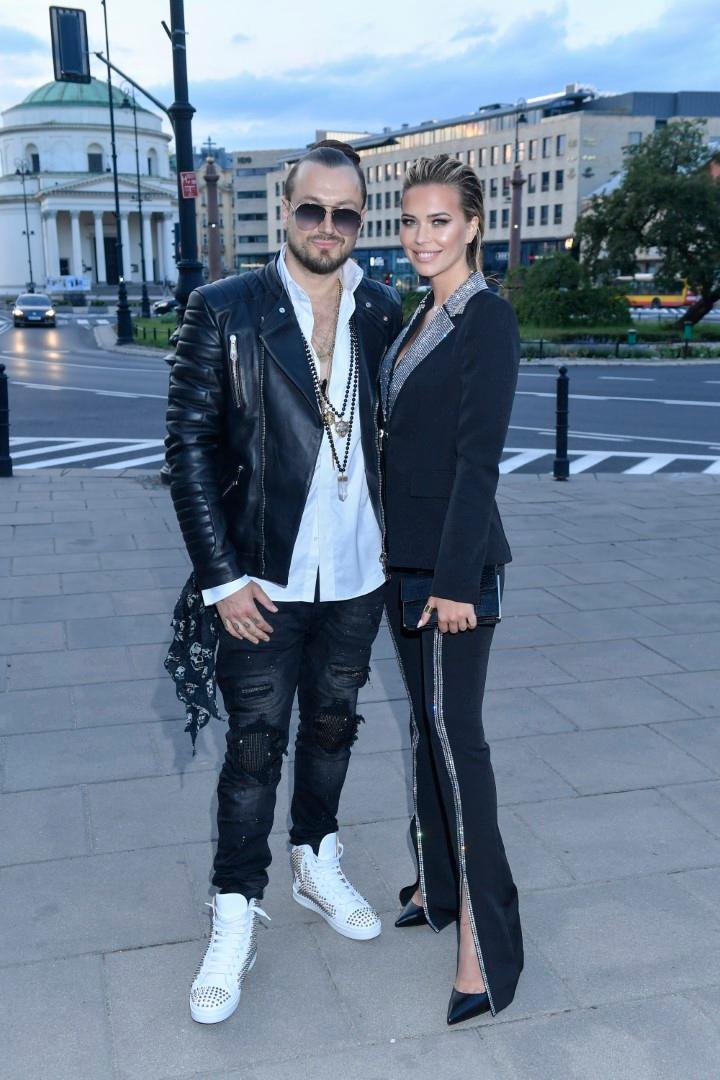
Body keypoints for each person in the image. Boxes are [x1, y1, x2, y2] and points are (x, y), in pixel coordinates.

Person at [165, 140, 403, 1024]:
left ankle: (315, 858)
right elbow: (188, 449)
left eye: (346, 213)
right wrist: (221, 579)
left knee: (334, 726)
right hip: (261, 578)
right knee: (255, 749)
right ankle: (235, 908)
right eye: (313, 209)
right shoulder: (226, 308)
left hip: (358, 574)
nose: (328, 226)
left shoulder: (381, 309)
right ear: (285, 209)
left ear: (360, 221)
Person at [379, 154, 523, 1024]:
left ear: (471, 226)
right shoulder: (418, 317)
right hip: (406, 563)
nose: (421, 236)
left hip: (452, 573)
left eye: (439, 221)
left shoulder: (486, 319)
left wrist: (457, 581)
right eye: (410, 221)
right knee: (425, 732)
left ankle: (485, 942)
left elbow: (478, 460)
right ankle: (437, 886)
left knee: (456, 740)